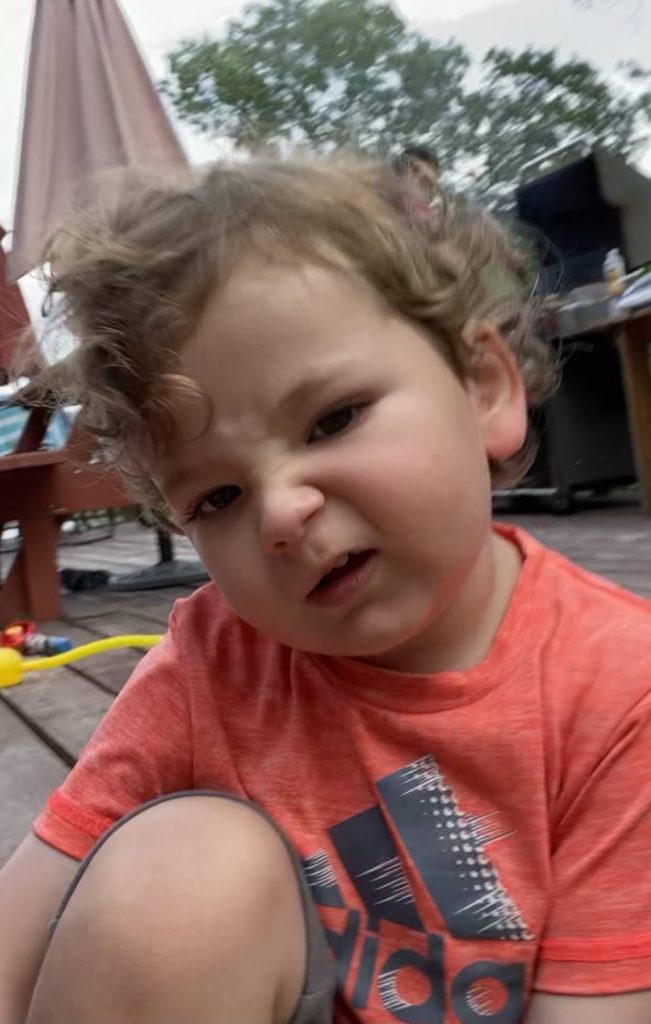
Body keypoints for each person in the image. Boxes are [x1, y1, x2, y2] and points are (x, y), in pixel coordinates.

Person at [1, 156, 651, 1024]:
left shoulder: (621, 691)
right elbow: (19, 931)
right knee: (181, 873)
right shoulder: (218, 660)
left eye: (331, 419)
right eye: (217, 497)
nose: (280, 511)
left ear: (485, 389)